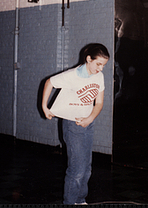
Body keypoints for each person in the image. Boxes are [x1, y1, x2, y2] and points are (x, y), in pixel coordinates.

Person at [42, 43, 110, 205]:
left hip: (88, 124)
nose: (100, 68)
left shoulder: (99, 76)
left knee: (86, 169)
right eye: (98, 64)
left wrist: (89, 119)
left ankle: (80, 200)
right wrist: (45, 107)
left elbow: (98, 103)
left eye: (104, 65)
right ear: (88, 59)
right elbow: (49, 82)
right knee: (77, 170)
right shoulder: (72, 75)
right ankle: (70, 202)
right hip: (73, 126)